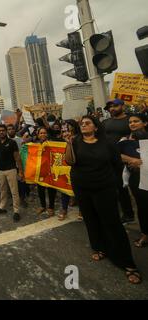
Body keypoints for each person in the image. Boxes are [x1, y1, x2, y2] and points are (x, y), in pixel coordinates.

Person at [65, 115, 142, 284]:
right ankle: (99, 248)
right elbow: (70, 161)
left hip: (104, 188)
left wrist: (113, 184)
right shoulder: (75, 141)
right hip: (82, 188)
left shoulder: (107, 142)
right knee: (91, 219)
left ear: (96, 127)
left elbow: (116, 164)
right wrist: (69, 144)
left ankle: (128, 264)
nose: (83, 125)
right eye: (81, 124)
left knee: (112, 223)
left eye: (87, 123)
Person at [103, 99, 135, 224]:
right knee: (120, 188)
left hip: (129, 159)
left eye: (115, 106)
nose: (112, 108)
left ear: (122, 106)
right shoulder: (106, 122)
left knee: (137, 188)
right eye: (110, 107)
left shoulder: (131, 120)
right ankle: (128, 214)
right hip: (112, 160)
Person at [118, 113, 148, 248]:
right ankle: (145, 234)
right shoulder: (124, 140)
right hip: (136, 179)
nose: (132, 124)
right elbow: (115, 154)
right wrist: (131, 160)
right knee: (142, 206)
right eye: (130, 122)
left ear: (145, 123)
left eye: (136, 121)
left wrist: (142, 163)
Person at [0, 124, 24, 222]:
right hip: (0, 171)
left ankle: (16, 211)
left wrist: (21, 171)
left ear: (6, 132)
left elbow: (17, 157)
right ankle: (2, 207)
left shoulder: (12, 142)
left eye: (3, 130)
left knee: (14, 191)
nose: (1, 132)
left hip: (11, 170)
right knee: (3, 190)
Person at [32, 127, 58, 217]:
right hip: (40, 171)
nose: (43, 134)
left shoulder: (52, 143)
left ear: (47, 134)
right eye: (41, 133)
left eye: (44, 133)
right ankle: (43, 206)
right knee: (40, 189)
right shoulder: (35, 145)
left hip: (50, 170)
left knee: (51, 189)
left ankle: (51, 207)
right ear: (38, 135)